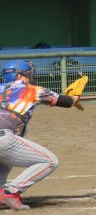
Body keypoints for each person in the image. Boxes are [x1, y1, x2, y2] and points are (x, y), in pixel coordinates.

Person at [0, 60, 82, 210]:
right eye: (28, 74)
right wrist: (75, 96)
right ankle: (9, 191)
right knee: (50, 161)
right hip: (3, 138)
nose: (30, 76)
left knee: (5, 157)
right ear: (19, 75)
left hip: (4, 140)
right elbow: (66, 102)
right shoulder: (31, 89)